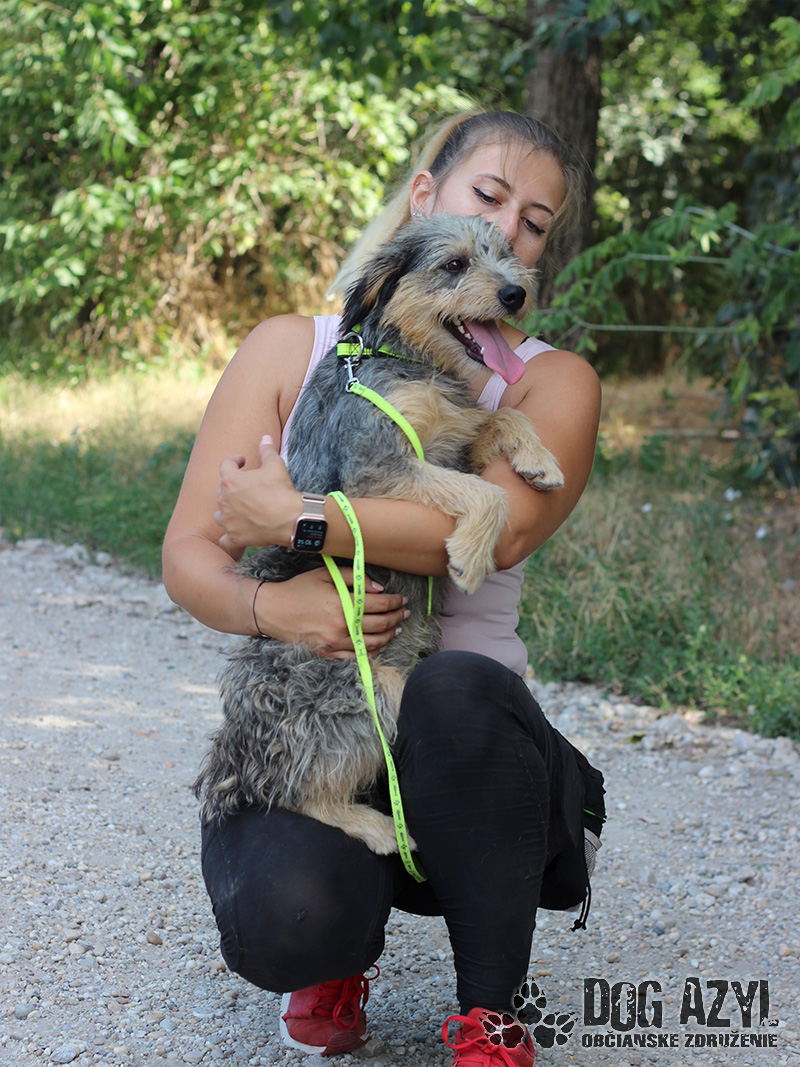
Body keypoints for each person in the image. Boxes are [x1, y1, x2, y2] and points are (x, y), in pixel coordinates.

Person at [163, 109, 606, 1066]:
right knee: (289, 913)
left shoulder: (553, 381)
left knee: (453, 686)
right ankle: (333, 948)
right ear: (424, 199)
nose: (507, 239)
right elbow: (190, 552)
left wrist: (296, 518)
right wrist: (273, 604)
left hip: (469, 744)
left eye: (532, 225)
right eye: (488, 199)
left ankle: (490, 1014)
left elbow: (495, 527)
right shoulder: (292, 348)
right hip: (330, 697)